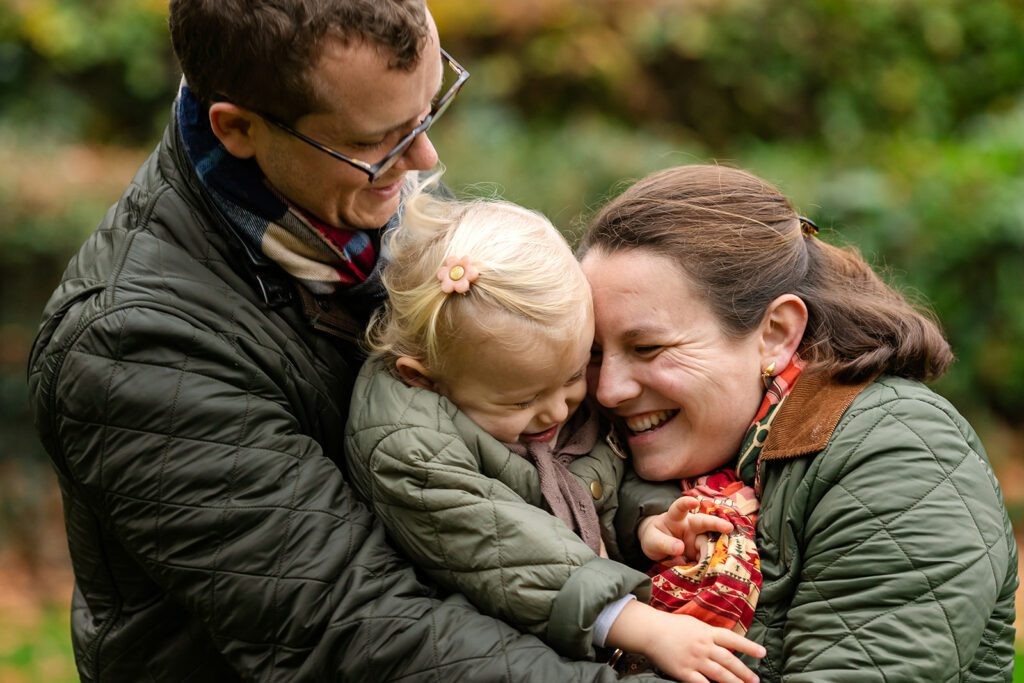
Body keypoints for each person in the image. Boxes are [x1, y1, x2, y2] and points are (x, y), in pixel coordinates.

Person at [26, 1, 663, 679]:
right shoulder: (134, 345)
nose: (424, 157)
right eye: (379, 140)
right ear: (238, 127)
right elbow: (347, 627)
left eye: (429, 108)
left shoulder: (364, 209)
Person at [578, 164, 1018, 681]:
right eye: (593, 353)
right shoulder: (611, 456)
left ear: (775, 333)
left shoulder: (898, 452)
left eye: (647, 347)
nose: (608, 388)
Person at [344, 179, 766, 682]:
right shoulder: (409, 447)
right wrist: (642, 626)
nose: (555, 412)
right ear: (425, 377)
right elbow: (502, 549)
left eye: (571, 377)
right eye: (522, 401)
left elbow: (600, 469)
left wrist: (647, 525)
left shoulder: (534, 392)